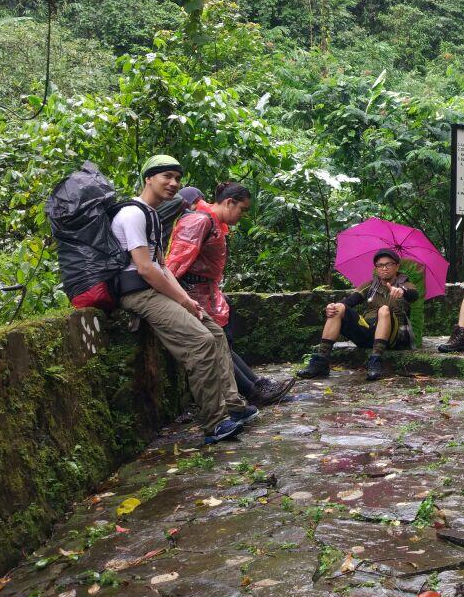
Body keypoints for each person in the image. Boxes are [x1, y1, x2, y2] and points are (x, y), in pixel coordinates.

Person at [111, 155, 255, 443]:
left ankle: (233, 406)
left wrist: (187, 301)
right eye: (166, 176)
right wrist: (179, 297)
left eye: (177, 178)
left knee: (214, 333)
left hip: (156, 288)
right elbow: (144, 268)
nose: (174, 183)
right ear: (148, 178)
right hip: (138, 292)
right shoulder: (132, 215)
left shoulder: (151, 213)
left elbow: (163, 265)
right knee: (200, 341)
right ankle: (214, 423)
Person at [166, 181, 295, 406]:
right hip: (190, 296)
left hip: (204, 294)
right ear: (228, 202)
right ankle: (252, 390)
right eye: (242, 209)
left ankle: (257, 385)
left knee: (222, 343)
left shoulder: (212, 222)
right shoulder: (199, 221)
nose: (242, 215)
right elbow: (174, 265)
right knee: (217, 345)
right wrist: (179, 300)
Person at [298, 249, 419, 382]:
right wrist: (331, 307)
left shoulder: (405, 284)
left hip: (392, 336)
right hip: (368, 332)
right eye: (380, 265)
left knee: (384, 309)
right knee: (338, 307)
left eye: (389, 264)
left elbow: (413, 294)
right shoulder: (370, 286)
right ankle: (321, 360)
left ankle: (375, 360)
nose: (384, 268)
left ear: (397, 266)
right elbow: (349, 302)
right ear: (376, 268)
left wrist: (402, 291)